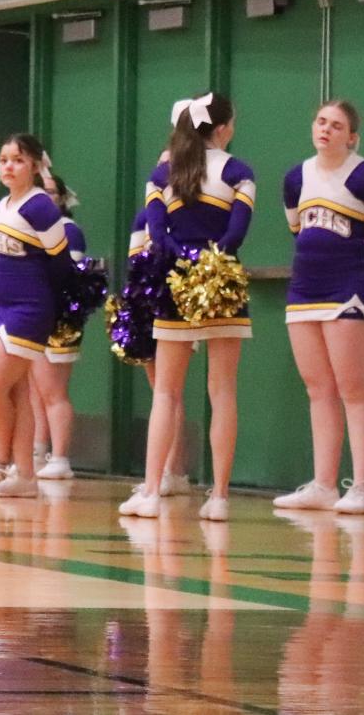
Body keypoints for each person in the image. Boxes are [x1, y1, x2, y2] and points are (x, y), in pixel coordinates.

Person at [121, 92, 254, 523]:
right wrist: (210, 263)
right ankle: (218, 497)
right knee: (224, 390)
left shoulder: (162, 174)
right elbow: (236, 233)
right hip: (223, 284)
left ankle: (153, 491)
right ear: (224, 129)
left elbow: (157, 235)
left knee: (165, 391)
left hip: (176, 286)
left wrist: (185, 262)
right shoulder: (240, 172)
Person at [272, 99, 364, 516]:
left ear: (352, 137)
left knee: (354, 387)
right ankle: (324, 484)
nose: (326, 129)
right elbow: (298, 229)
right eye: (321, 121)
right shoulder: (295, 178)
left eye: (337, 125)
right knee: (318, 389)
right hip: (306, 289)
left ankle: (361, 486)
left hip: (353, 289)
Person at [0, 133, 76, 502]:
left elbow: (61, 263)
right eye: (3, 160)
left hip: (28, 309)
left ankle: (2, 459)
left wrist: (55, 306)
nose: (8, 167)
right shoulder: (1, 206)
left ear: (33, 165)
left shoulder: (40, 207)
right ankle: (26, 475)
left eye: (16, 160)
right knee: (16, 393)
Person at [27, 167, 85, 482]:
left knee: (53, 391)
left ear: (61, 198)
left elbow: (68, 276)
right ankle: (38, 451)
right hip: (35, 315)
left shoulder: (68, 230)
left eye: (51, 193)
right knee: (36, 391)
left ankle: (61, 457)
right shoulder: (30, 226)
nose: (46, 198)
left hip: (59, 318)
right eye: (41, 192)